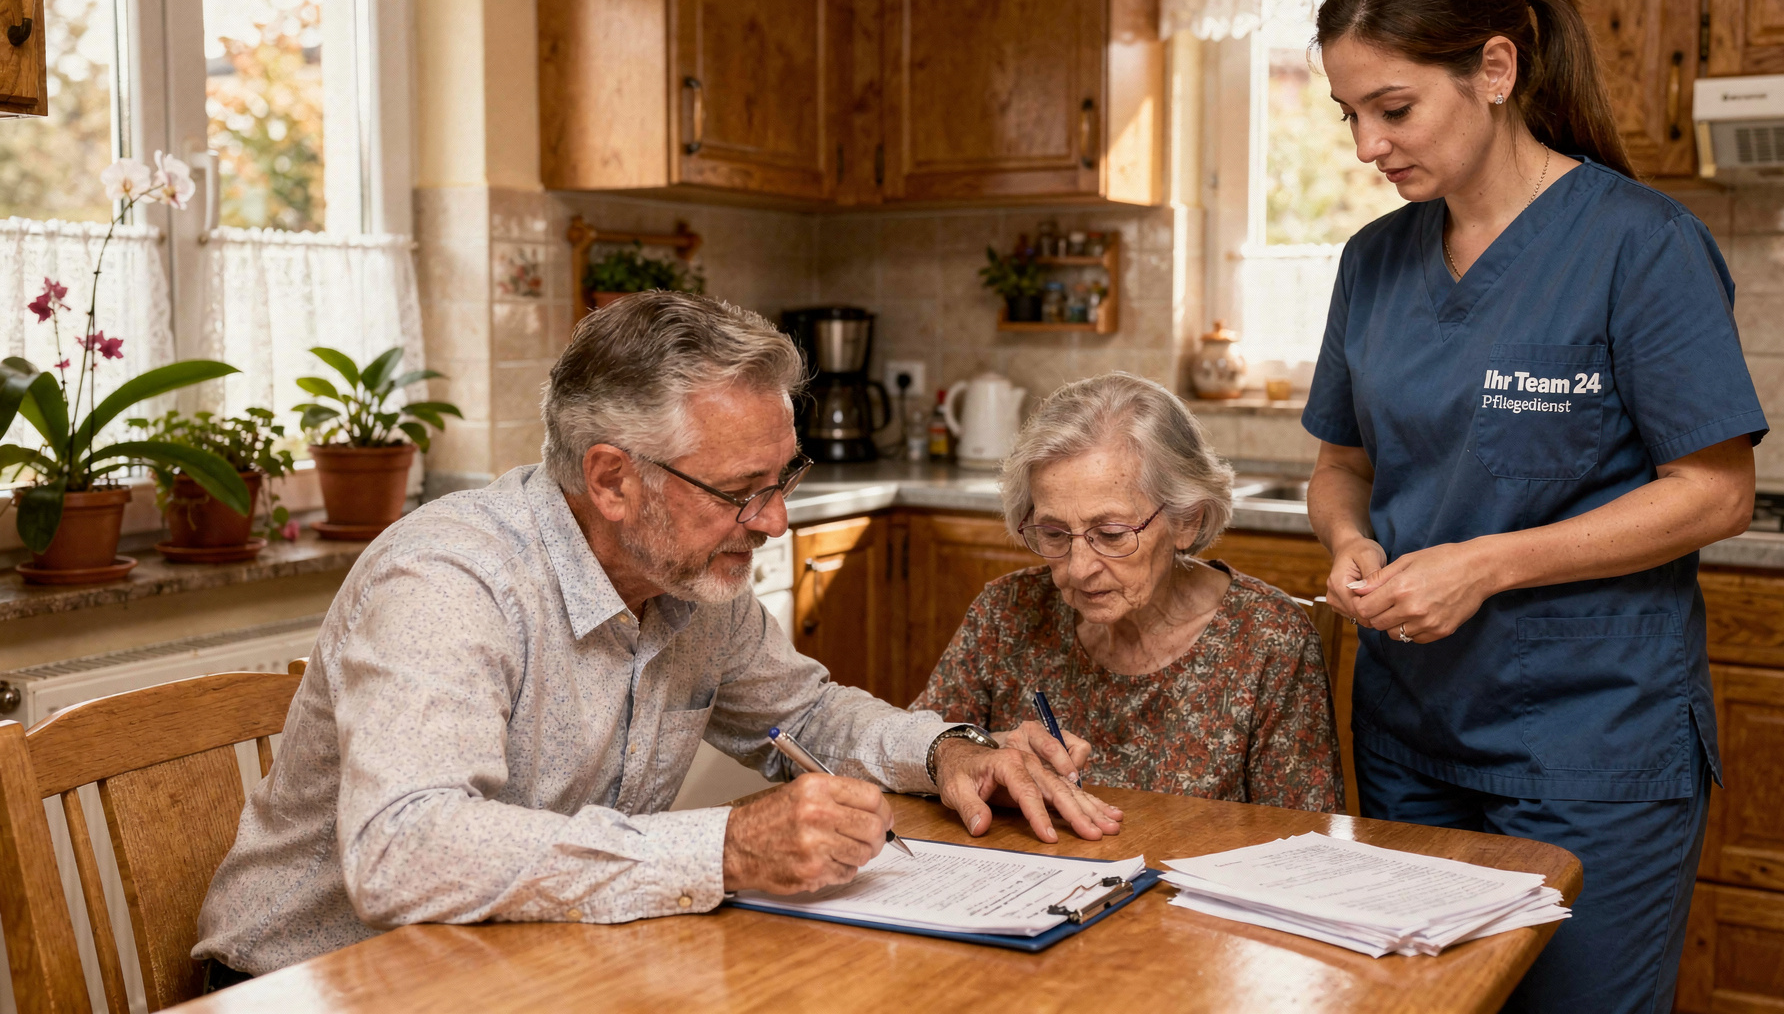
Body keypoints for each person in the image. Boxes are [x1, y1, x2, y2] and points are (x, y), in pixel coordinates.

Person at [194, 293, 1121, 982]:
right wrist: (721, 851)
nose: (776, 522)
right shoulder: (449, 580)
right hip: (314, 987)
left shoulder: (690, 579)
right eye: (740, 491)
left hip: (518, 969)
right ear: (611, 480)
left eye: (783, 477)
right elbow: (405, 850)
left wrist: (948, 750)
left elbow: (805, 714)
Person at [1301, 0, 1765, 1013]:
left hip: (1592, 749)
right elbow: (1339, 465)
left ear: (1496, 72)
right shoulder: (1372, 261)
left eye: (1395, 108)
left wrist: (1486, 565)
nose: (1369, 144)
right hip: (1412, 738)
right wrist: (1348, 541)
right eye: (1349, 115)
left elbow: (1715, 490)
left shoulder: (1642, 246)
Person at [912, 372, 1342, 812]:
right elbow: (906, 758)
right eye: (1055, 532)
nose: (1079, 569)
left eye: (1112, 533)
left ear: (1186, 519)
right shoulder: (1006, 613)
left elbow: (1305, 846)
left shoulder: (1268, 641)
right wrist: (968, 757)